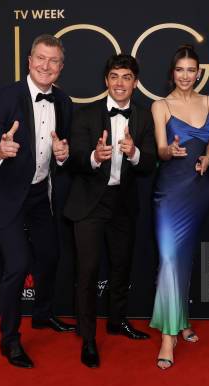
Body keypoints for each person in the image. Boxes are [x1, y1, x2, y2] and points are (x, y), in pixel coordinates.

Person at [0, 34, 75, 369]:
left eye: (54, 61)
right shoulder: (4, 99)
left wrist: (64, 155)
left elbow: (62, 150)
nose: (47, 66)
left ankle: (43, 315)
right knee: (17, 266)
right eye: (41, 59)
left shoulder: (63, 102)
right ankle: (10, 340)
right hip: (5, 195)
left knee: (50, 255)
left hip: (38, 194)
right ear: (29, 61)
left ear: (61, 67)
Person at [64, 54, 156, 368]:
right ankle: (88, 338)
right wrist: (93, 156)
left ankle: (117, 322)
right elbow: (73, 159)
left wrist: (134, 153)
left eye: (126, 77)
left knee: (121, 268)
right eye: (115, 76)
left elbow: (150, 163)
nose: (120, 83)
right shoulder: (85, 115)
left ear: (135, 82)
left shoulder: (143, 118)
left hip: (123, 205)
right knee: (88, 272)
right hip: (89, 203)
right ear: (106, 80)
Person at [149, 44, 209, 370]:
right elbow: (161, 150)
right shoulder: (160, 105)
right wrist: (171, 152)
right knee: (167, 257)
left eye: (192, 70)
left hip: (197, 191)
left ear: (199, 72)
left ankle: (183, 320)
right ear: (172, 72)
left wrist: (207, 158)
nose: (186, 76)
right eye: (180, 70)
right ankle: (168, 336)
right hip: (169, 191)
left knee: (184, 257)